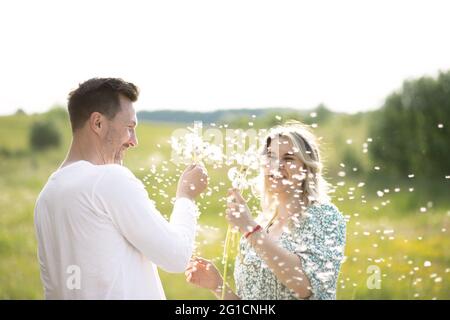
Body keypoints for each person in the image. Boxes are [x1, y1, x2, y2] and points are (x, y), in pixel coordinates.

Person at [34, 78, 208, 299]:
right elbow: (176, 257)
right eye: (129, 128)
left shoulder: (46, 196)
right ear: (97, 123)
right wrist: (186, 195)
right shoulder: (109, 179)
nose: (134, 141)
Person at [185, 121, 346, 300]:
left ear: (306, 168)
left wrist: (250, 230)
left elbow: (306, 288)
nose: (276, 166)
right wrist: (218, 285)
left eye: (289, 158)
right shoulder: (263, 224)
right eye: (271, 156)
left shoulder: (325, 217)